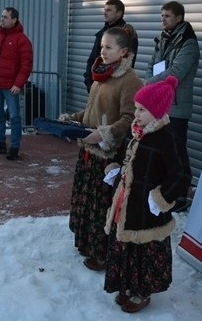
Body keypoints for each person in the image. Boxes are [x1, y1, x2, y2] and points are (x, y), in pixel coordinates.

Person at [103, 76, 190, 313]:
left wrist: (160, 198)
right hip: (129, 203)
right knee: (128, 247)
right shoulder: (138, 132)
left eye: (142, 109)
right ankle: (127, 285)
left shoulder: (168, 138)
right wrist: (118, 170)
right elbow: (134, 164)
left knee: (143, 250)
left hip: (148, 209)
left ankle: (142, 291)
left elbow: (181, 176)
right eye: (137, 108)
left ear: (158, 111)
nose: (137, 113)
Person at [59, 26, 142, 271]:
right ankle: (86, 242)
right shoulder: (101, 75)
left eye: (108, 47)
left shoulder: (130, 81)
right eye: (101, 46)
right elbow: (93, 111)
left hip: (108, 155)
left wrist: (105, 133)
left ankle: (103, 252)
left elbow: (129, 119)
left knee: (102, 206)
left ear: (124, 51)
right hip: (88, 148)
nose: (102, 51)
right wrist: (73, 118)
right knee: (86, 202)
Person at [145, 1, 199, 201]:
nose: (163, 20)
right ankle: (167, 189)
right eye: (161, 16)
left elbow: (176, 72)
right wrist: (149, 82)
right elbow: (151, 64)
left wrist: (148, 84)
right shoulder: (163, 39)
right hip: (160, 103)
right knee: (164, 149)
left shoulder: (188, 43)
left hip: (176, 106)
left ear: (179, 18)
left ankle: (181, 192)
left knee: (177, 150)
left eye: (167, 16)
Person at [0, 7, 34, 161]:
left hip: (10, 85)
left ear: (14, 20)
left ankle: (15, 147)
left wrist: (18, 83)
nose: (2, 19)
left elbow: (26, 64)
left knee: (15, 116)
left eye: (5, 17)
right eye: (1, 16)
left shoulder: (22, 40)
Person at [83, 0, 138, 93]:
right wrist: (89, 82)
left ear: (119, 13)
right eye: (104, 10)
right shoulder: (102, 33)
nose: (104, 13)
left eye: (109, 10)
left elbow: (127, 63)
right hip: (96, 85)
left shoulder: (127, 35)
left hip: (113, 88)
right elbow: (92, 59)